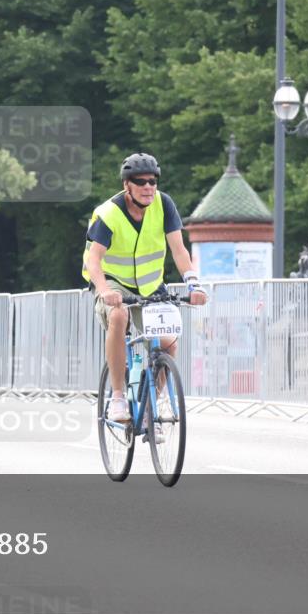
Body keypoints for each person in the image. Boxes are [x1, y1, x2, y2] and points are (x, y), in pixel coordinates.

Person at [82, 152, 207, 424]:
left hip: (149, 285)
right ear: (127, 185)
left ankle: (151, 408)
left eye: (153, 180)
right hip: (113, 282)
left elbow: (179, 249)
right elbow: (94, 260)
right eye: (140, 181)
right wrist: (104, 290)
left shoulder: (164, 205)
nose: (148, 186)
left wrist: (193, 284)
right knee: (118, 315)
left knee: (168, 343)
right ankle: (116, 397)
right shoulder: (108, 213)